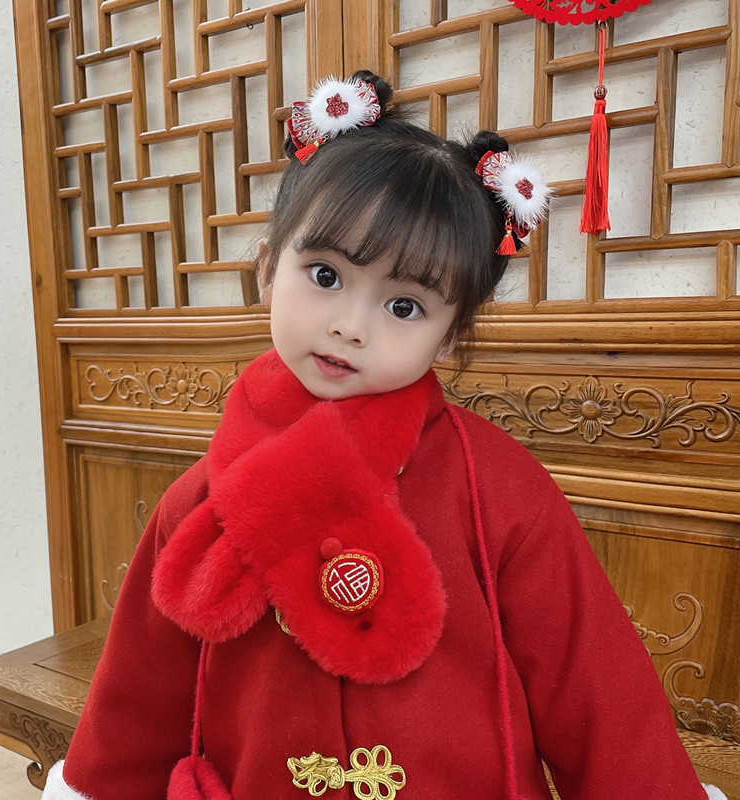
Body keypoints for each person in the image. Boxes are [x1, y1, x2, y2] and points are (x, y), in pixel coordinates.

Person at [41, 70, 727, 800]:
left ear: (450, 334)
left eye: (404, 306)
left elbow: (596, 689)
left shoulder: (499, 490)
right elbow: (140, 698)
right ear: (268, 268)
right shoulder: (199, 497)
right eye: (325, 275)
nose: (351, 326)